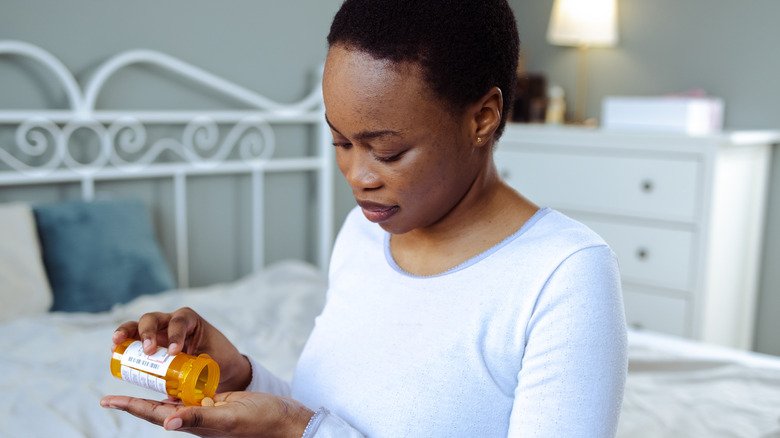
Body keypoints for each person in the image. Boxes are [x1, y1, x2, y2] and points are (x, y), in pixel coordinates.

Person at [100, 0, 628, 436]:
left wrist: (296, 430)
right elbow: (334, 413)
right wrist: (240, 377)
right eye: (339, 141)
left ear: (483, 119)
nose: (357, 175)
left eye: (388, 151)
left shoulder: (564, 275)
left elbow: (313, 428)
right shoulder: (364, 232)